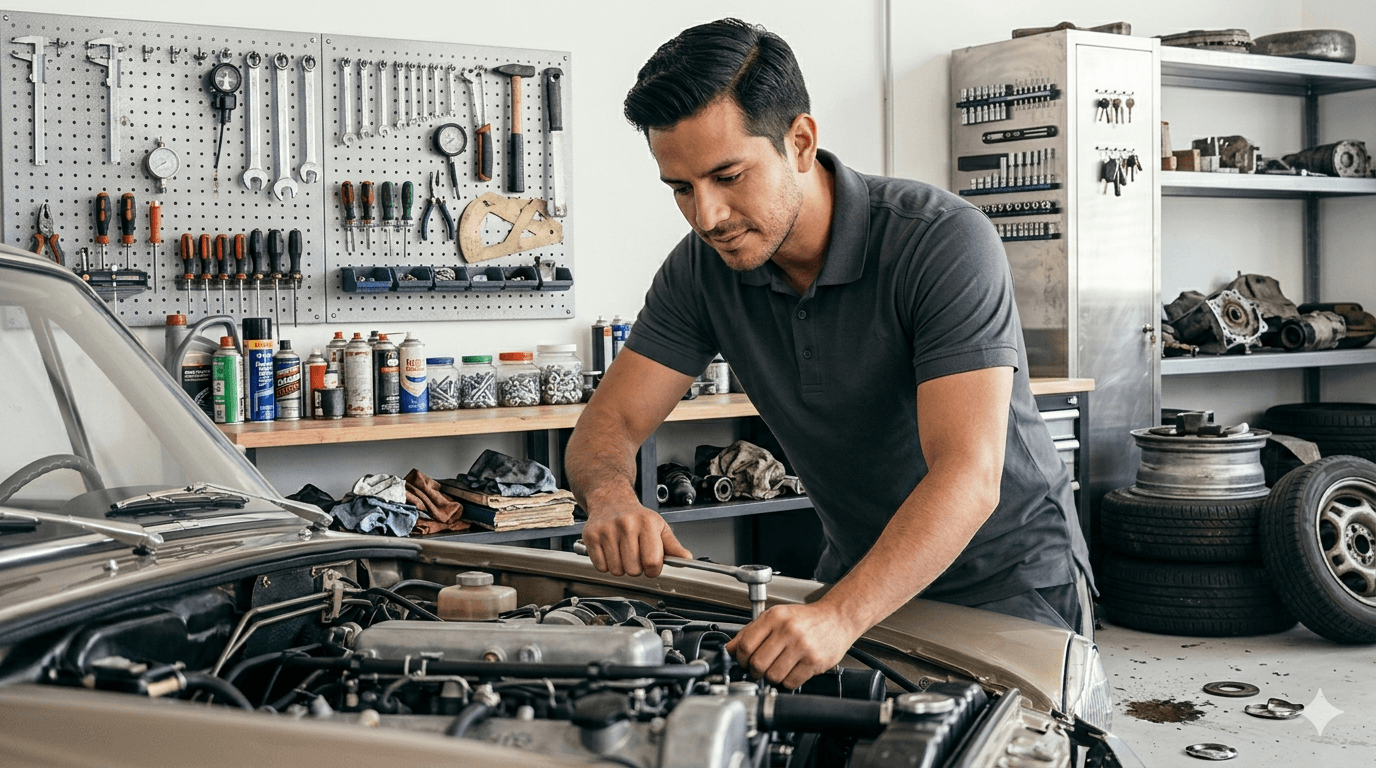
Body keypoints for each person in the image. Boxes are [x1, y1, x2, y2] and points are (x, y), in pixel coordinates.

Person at [564, 18, 1093, 690]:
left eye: (728, 176)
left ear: (801, 142)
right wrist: (611, 496)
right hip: (856, 577)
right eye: (681, 188)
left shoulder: (941, 243)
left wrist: (840, 615)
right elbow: (606, 427)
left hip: (1007, 586)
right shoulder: (700, 271)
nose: (708, 216)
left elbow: (968, 474)